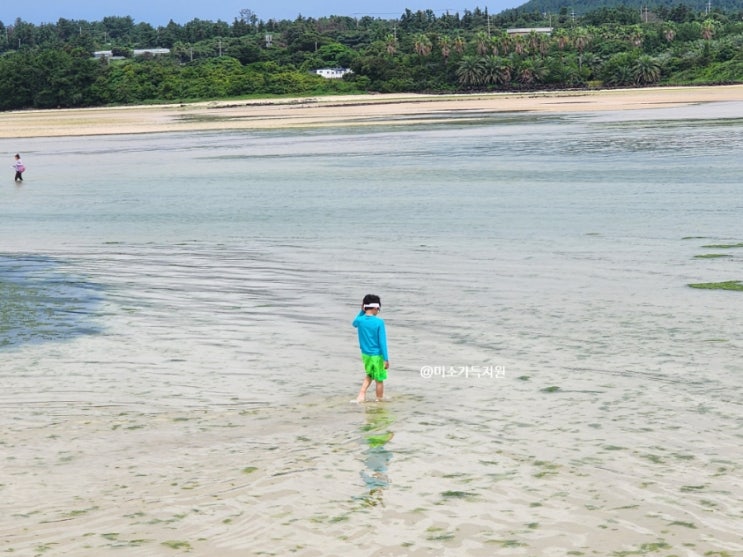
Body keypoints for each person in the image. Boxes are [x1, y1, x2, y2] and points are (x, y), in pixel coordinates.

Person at [353, 294, 389, 403]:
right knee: (379, 379)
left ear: (364, 307)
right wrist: (386, 359)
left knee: (370, 374)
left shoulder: (360, 320)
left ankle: (362, 393)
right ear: (375, 308)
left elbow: (354, 323)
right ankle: (379, 400)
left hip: (365, 354)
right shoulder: (379, 322)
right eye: (378, 309)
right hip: (377, 355)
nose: (378, 311)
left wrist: (361, 311)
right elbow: (382, 342)